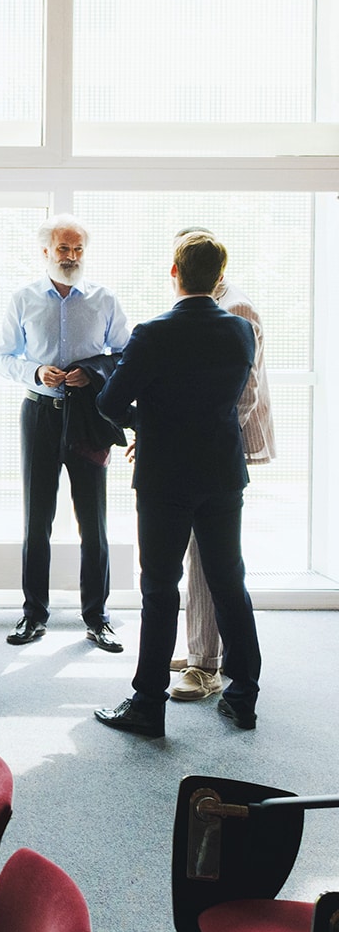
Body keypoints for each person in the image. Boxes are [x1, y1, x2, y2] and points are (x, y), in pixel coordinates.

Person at [94, 231, 261, 737]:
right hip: (222, 472)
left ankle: (148, 704)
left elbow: (109, 402)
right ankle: (243, 696)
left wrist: (143, 425)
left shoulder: (153, 333)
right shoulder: (241, 331)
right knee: (228, 580)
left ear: (174, 272)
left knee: (160, 587)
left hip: (165, 476)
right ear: (219, 276)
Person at [0, 214, 130, 651]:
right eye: (63, 249)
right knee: (37, 520)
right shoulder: (23, 298)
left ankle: (97, 617)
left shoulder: (104, 299)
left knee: (94, 521)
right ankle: (34, 614)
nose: (71, 257)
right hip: (40, 415)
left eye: (77, 249)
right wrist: (36, 371)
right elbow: (2, 357)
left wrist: (92, 372)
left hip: (89, 418)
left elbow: (124, 354)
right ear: (46, 252)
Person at [170, 228, 275, 703]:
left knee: (212, 562)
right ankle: (202, 649)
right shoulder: (208, 302)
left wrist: (196, 439)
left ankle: (206, 665)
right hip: (208, 451)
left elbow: (244, 394)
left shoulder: (237, 308)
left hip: (217, 452)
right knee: (204, 556)